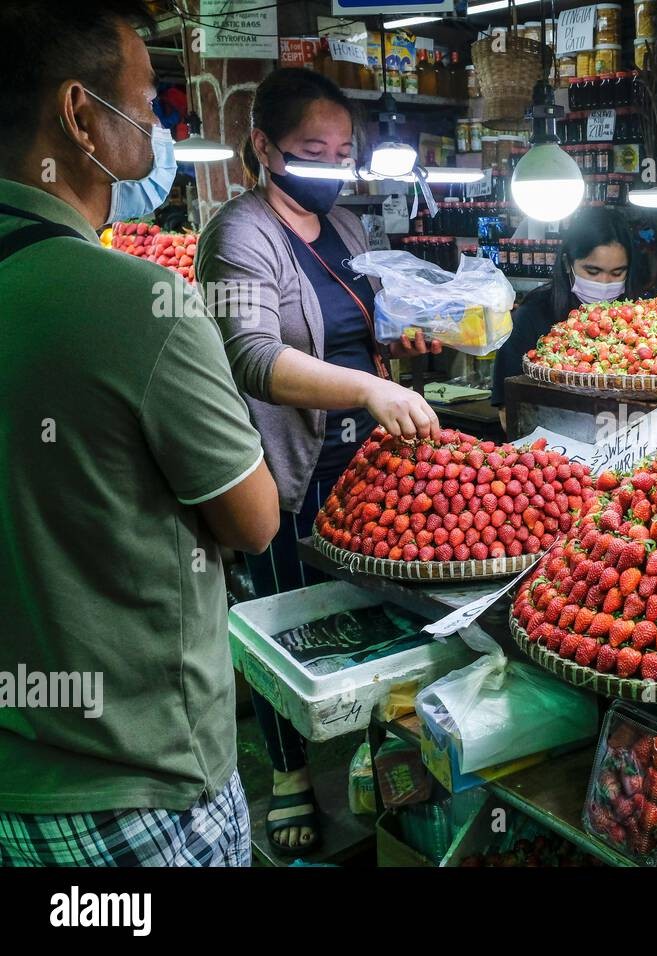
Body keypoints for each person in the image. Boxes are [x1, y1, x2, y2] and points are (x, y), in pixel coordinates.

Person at [0, 0, 280, 866]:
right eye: (151, 102)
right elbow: (254, 521)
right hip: (135, 790)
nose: (159, 128)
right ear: (81, 117)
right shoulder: (135, 306)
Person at [197, 67, 440, 853]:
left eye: (343, 152)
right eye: (312, 149)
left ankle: (372, 750)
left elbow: (362, 327)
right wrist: (366, 388)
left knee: (370, 621)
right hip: (283, 469)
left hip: (364, 466)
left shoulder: (348, 232)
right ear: (264, 146)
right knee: (283, 625)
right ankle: (288, 771)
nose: (331, 166)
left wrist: (408, 339)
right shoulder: (237, 235)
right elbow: (251, 357)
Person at [491, 207, 638, 430]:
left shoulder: (638, 318)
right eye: (592, 271)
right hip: (553, 448)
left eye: (617, 273)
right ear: (568, 262)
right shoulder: (532, 316)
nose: (605, 282)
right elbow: (507, 409)